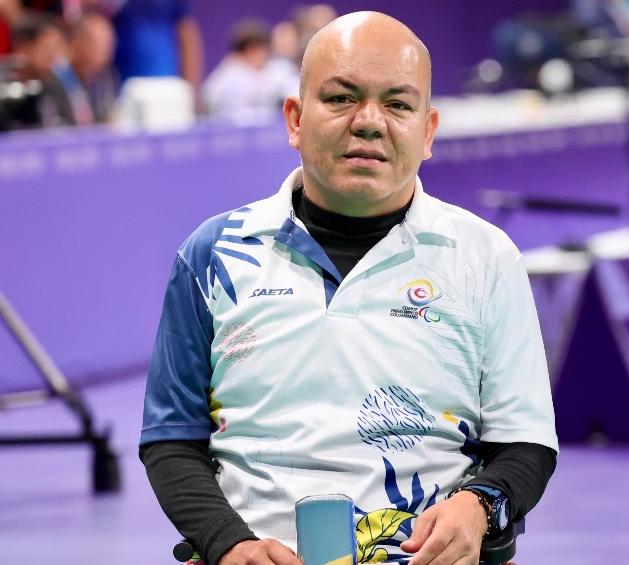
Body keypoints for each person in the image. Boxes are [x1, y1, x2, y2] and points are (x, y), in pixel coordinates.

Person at [140, 11, 558, 565]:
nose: (369, 122)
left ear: (427, 131)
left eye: (398, 104)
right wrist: (229, 542)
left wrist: (477, 506)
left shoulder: (485, 257)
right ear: (294, 119)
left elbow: (526, 444)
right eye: (341, 98)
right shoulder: (213, 254)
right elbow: (170, 440)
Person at [202, 18, 299, 123]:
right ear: (241, 52)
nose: (258, 54)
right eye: (251, 50)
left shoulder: (280, 70)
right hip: (236, 132)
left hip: (275, 129)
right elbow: (208, 99)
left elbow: (296, 95)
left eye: (260, 48)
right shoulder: (228, 73)